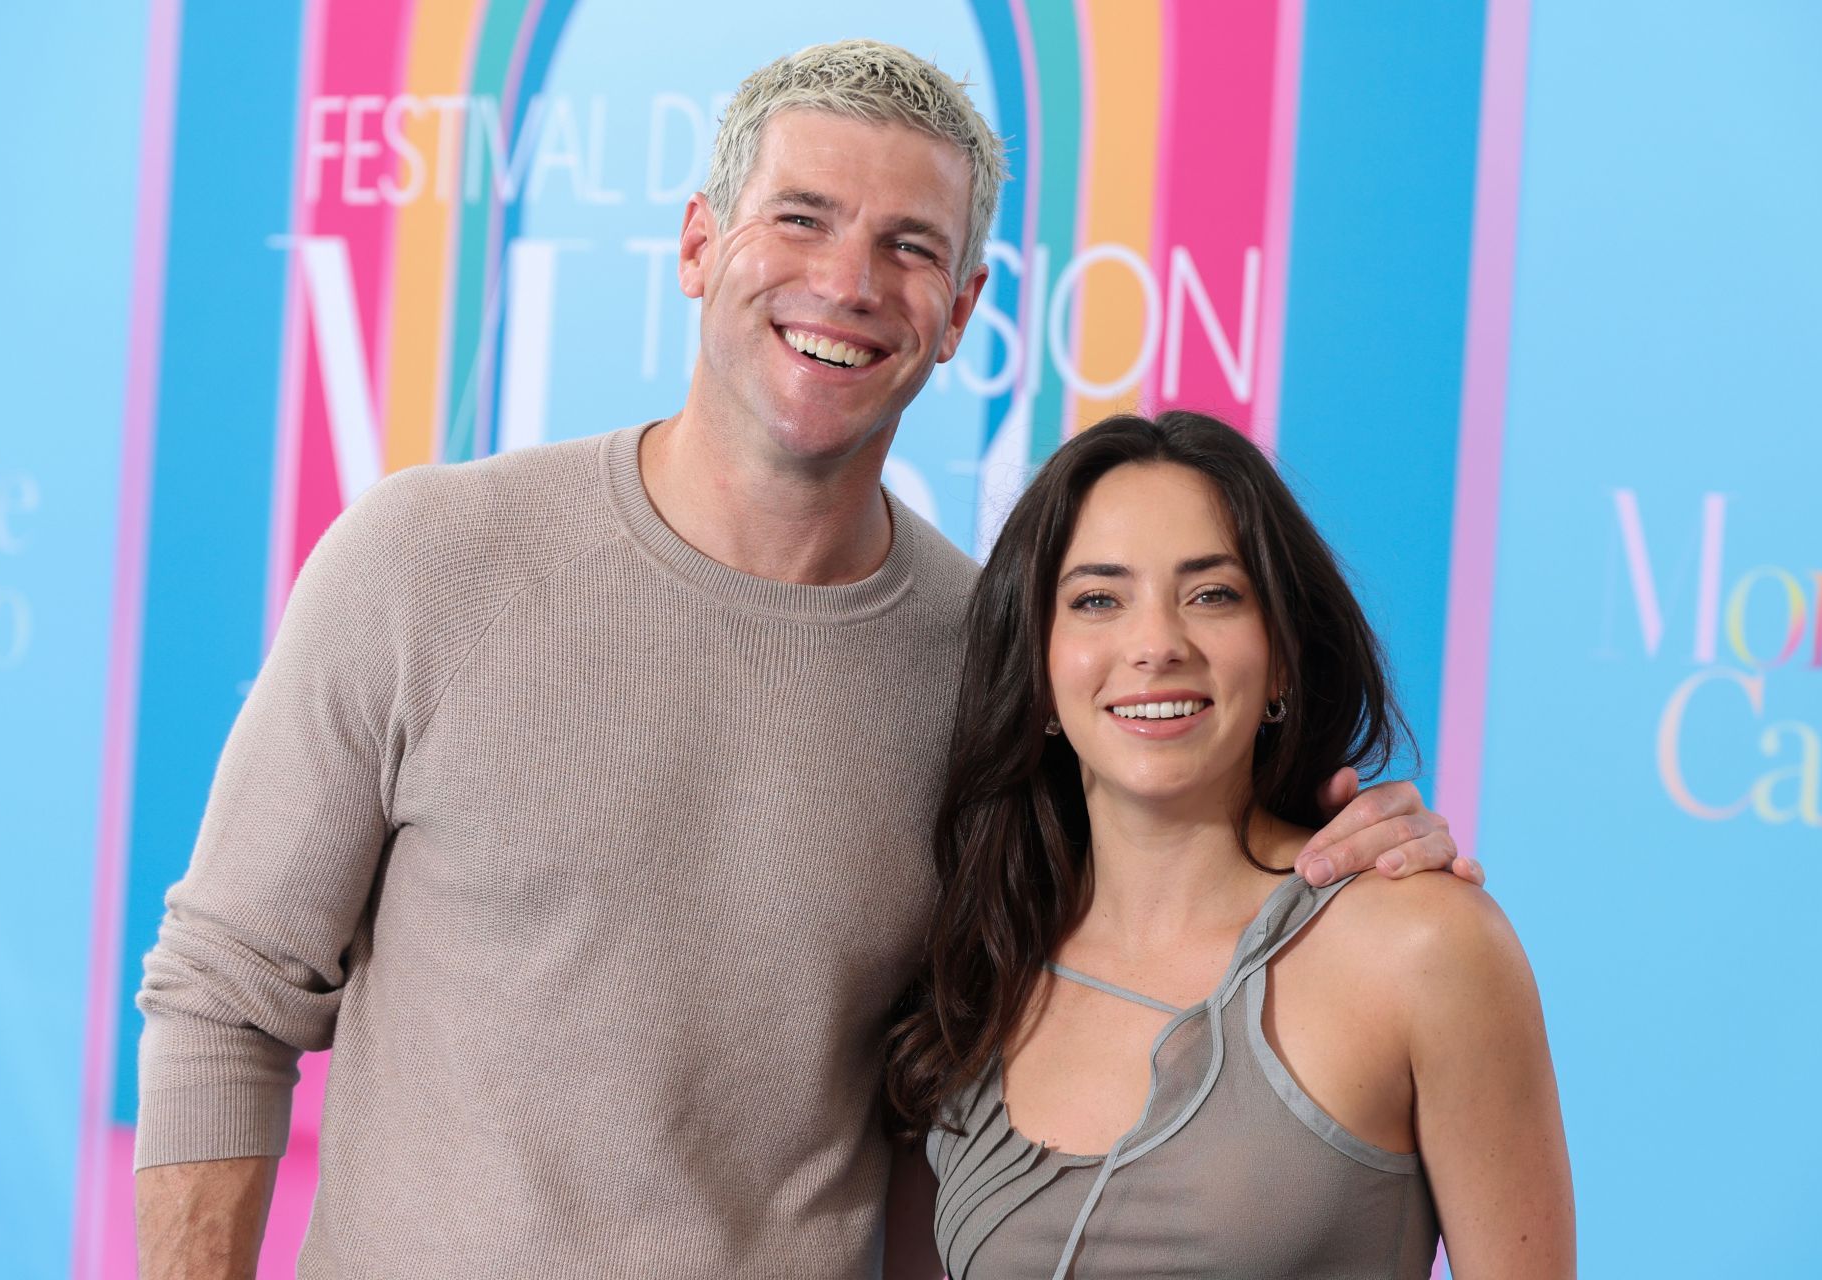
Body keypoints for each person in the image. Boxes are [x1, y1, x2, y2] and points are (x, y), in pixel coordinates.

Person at [133, 43, 1474, 1279]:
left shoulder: (999, 664)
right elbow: (221, 1002)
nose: (846, 281)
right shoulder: (428, 559)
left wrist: (1365, 850)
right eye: (801, 218)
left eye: (907, 246)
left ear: (959, 312)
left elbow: (1162, 895)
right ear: (701, 243)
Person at [883, 411, 1573, 1279]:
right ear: (1040, 671)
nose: (1156, 645)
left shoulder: (1424, 946)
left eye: (1212, 594)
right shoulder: (977, 966)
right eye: (1098, 599)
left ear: (1281, 657)